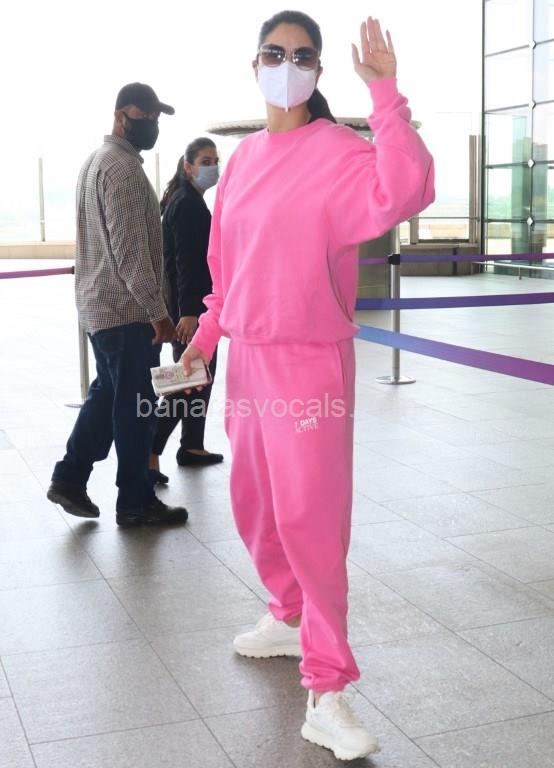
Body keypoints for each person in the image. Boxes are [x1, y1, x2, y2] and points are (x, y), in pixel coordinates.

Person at [182, 11, 435, 761]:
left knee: (311, 521)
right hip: (250, 362)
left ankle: (327, 689)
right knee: (256, 506)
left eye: (301, 56)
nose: (286, 65)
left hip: (309, 361)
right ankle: (288, 615)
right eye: (274, 52)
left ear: (318, 71)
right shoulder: (242, 163)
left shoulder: (338, 151)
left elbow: (408, 187)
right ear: (254, 63)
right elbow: (226, 271)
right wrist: (204, 340)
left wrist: (385, 93)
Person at [47, 82, 189, 528]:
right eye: (145, 116)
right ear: (119, 116)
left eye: (156, 118)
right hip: (127, 313)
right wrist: (158, 313)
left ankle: (70, 478)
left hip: (100, 309)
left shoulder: (95, 161)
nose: (152, 125)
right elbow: (131, 255)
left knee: (108, 395)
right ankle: (135, 500)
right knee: (136, 409)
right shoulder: (123, 170)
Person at [149, 140, 224, 484]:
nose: (213, 167)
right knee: (187, 382)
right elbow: (185, 264)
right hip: (192, 311)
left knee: (198, 379)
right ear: (188, 166)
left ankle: (192, 446)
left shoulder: (188, 200)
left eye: (215, 160)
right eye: (205, 161)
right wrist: (190, 312)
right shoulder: (187, 204)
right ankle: (150, 452)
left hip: (194, 306)